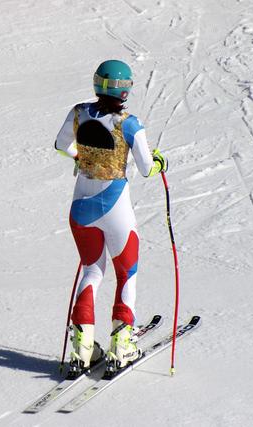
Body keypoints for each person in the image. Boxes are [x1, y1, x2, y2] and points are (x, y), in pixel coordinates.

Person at [54, 60, 167, 376]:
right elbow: (146, 168)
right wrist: (160, 162)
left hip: (81, 206)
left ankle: (83, 350)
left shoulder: (78, 112)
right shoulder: (130, 124)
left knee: (91, 270)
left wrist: (85, 158)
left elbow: (61, 145)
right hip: (115, 207)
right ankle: (121, 347)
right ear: (126, 89)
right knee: (126, 272)